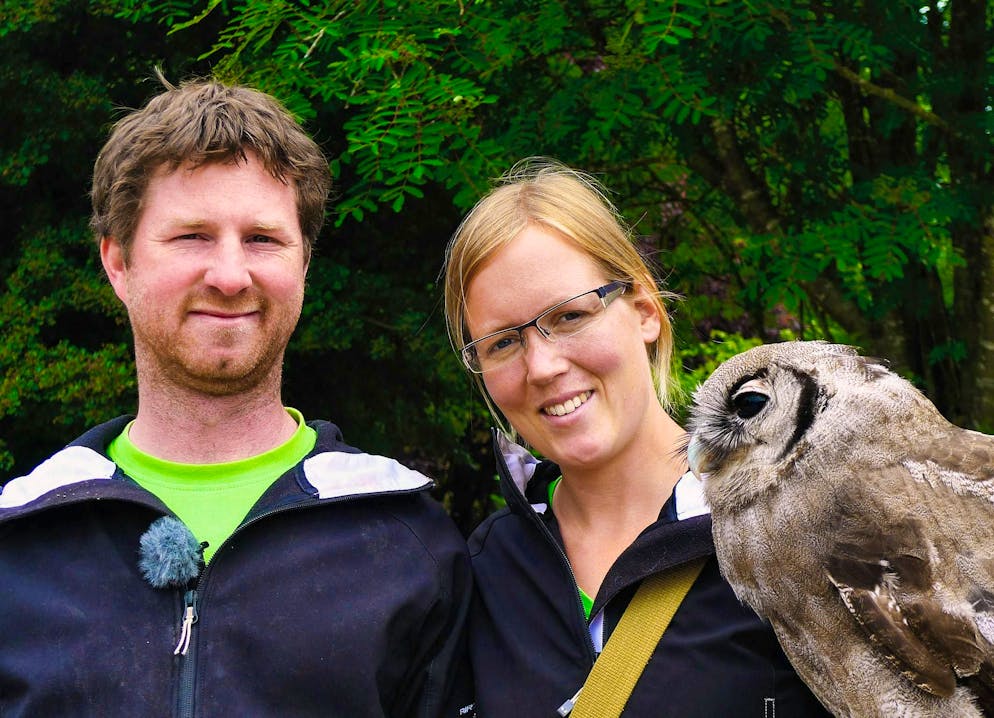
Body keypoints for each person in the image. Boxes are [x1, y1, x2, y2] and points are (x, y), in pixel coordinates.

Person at [0, 73, 472, 718]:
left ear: (303, 264)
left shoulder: (410, 543)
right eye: (191, 236)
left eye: (263, 239)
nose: (229, 275)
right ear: (117, 263)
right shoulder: (18, 546)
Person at [442, 157, 831, 716]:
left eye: (570, 316)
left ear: (645, 311)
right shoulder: (480, 570)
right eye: (502, 343)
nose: (543, 366)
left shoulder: (795, 529)